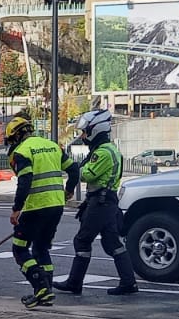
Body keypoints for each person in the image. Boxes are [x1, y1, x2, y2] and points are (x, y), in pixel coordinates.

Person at [54, 109, 138, 298]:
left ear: (95, 130)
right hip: (107, 202)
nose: (82, 136)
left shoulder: (103, 153)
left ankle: (74, 283)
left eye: (84, 132)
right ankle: (128, 282)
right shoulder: (110, 150)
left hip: (100, 203)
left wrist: (68, 164)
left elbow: (87, 174)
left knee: (82, 240)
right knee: (112, 243)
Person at [4, 112, 66, 309]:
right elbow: (73, 169)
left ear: (16, 136)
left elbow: (25, 181)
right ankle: (47, 292)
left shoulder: (23, 151)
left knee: (19, 248)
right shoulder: (52, 145)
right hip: (56, 206)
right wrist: (70, 190)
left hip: (35, 207)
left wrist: (16, 209)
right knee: (41, 248)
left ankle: (40, 288)